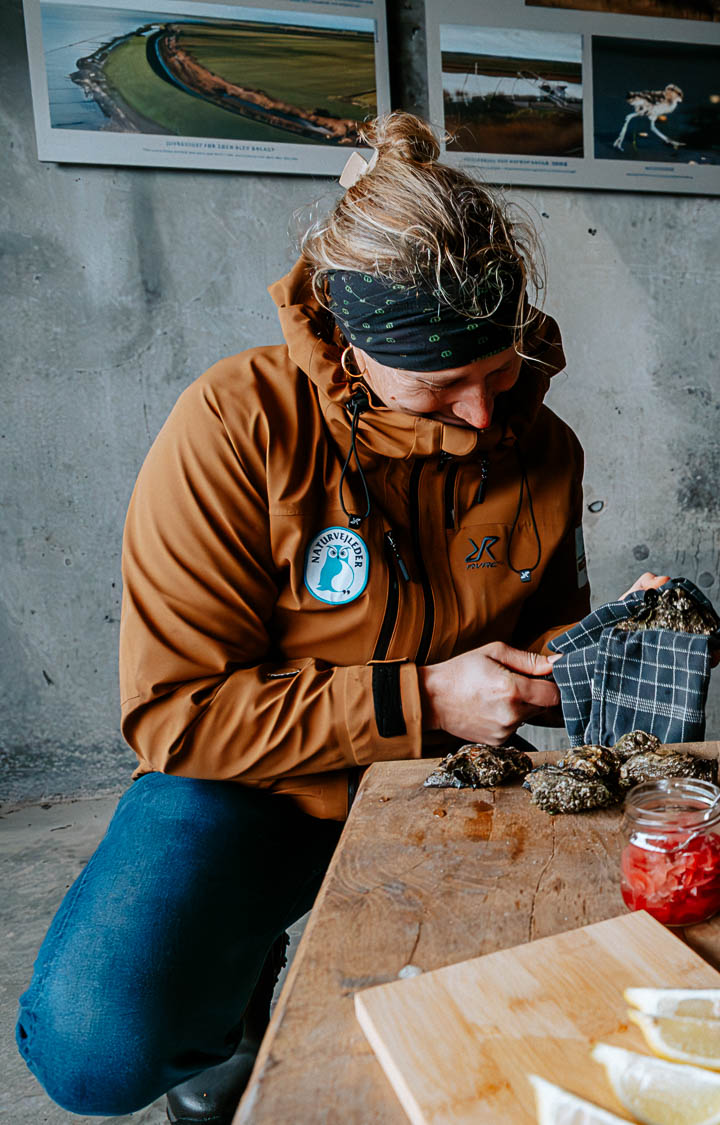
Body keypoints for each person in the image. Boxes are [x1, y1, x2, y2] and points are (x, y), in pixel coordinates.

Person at [14, 112, 661, 1122]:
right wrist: (427, 699)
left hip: (460, 784)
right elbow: (177, 716)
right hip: (258, 788)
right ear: (353, 347)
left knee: (542, 1041)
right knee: (96, 1048)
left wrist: (594, 647)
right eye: (443, 388)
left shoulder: (543, 443)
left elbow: (533, 649)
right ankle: (223, 1037)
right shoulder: (233, 425)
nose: (487, 415)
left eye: (499, 371)